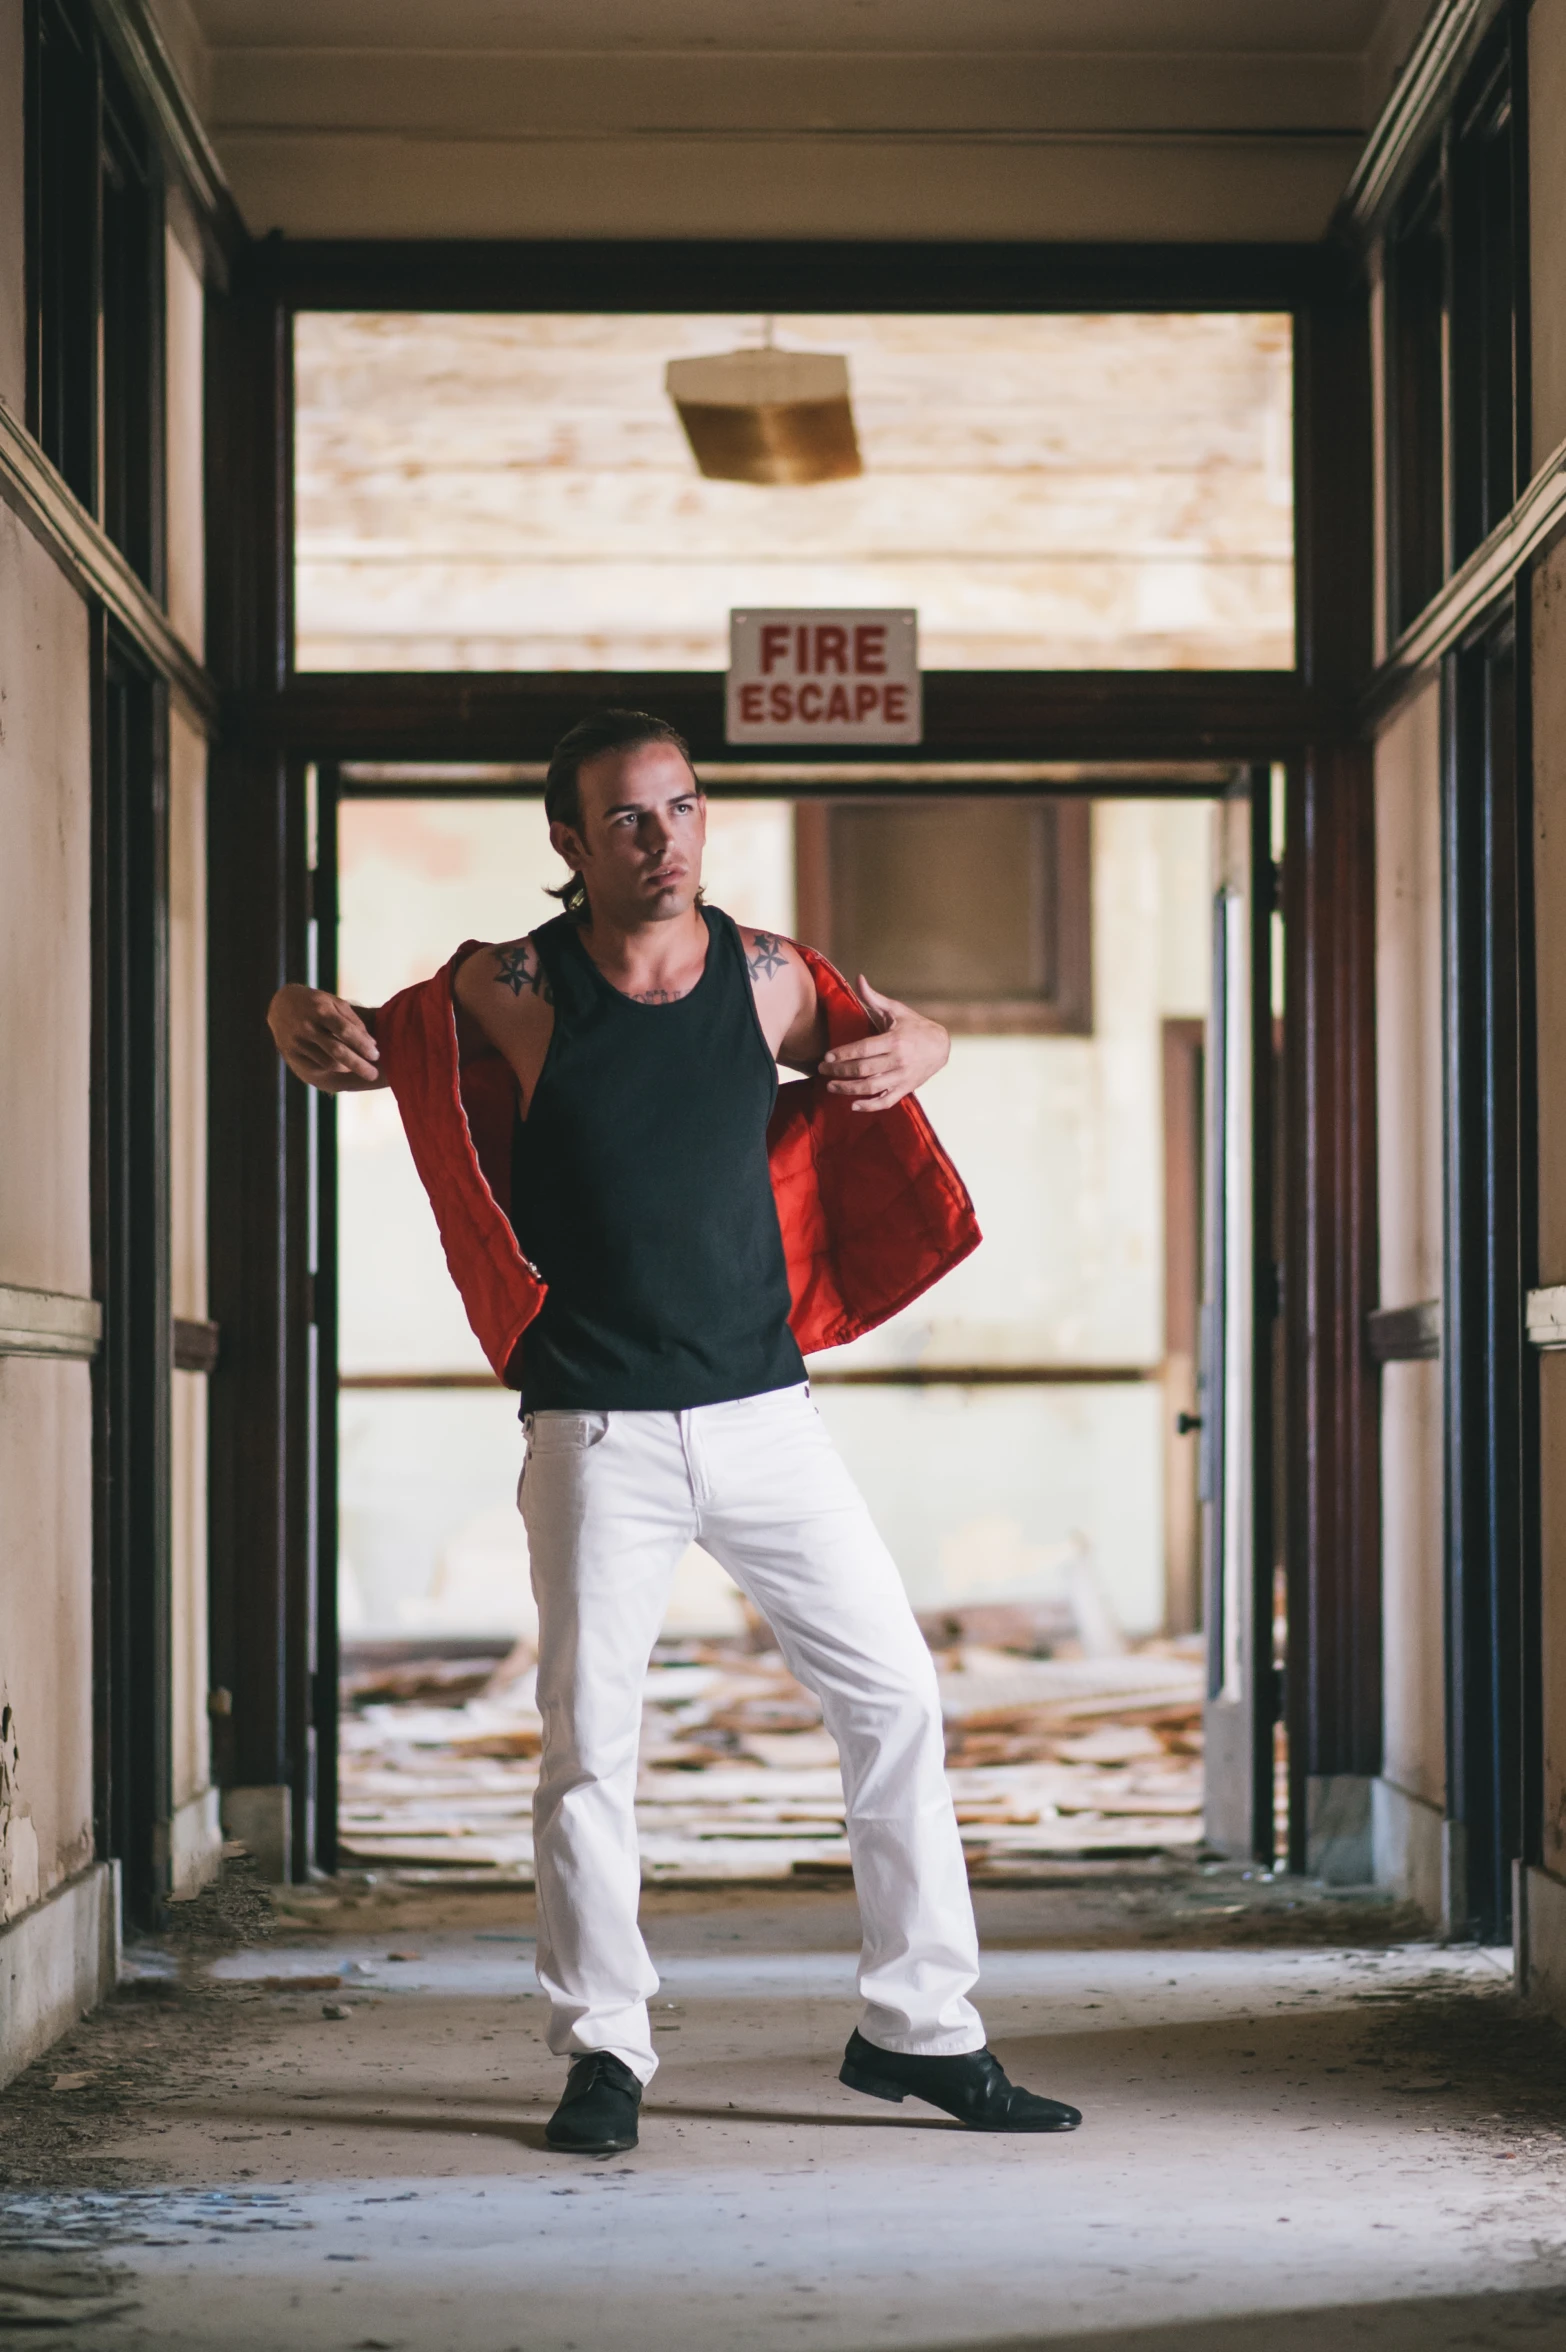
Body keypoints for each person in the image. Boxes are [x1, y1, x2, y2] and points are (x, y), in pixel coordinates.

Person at [269, 709, 1082, 2155]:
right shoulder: (511, 988)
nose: (665, 839)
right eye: (630, 820)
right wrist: (286, 1008)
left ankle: (921, 2031)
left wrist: (926, 1050)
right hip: (596, 1433)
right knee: (589, 1750)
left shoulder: (769, 976)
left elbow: (908, 1027)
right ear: (570, 846)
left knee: (894, 1701)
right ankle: (603, 2053)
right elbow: (363, 1038)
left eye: (682, 808)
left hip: (768, 1421)